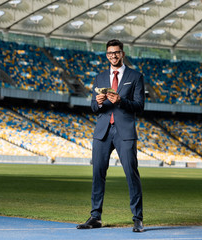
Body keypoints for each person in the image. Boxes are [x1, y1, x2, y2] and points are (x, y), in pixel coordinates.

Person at [76, 39, 145, 232]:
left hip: (124, 131)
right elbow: (93, 107)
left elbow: (140, 106)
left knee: (131, 174)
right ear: (106, 55)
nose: (113, 56)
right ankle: (95, 217)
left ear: (122, 53)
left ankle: (138, 218)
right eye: (109, 53)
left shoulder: (135, 76)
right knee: (98, 174)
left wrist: (121, 101)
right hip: (102, 131)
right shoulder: (99, 77)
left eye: (116, 52)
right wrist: (98, 103)